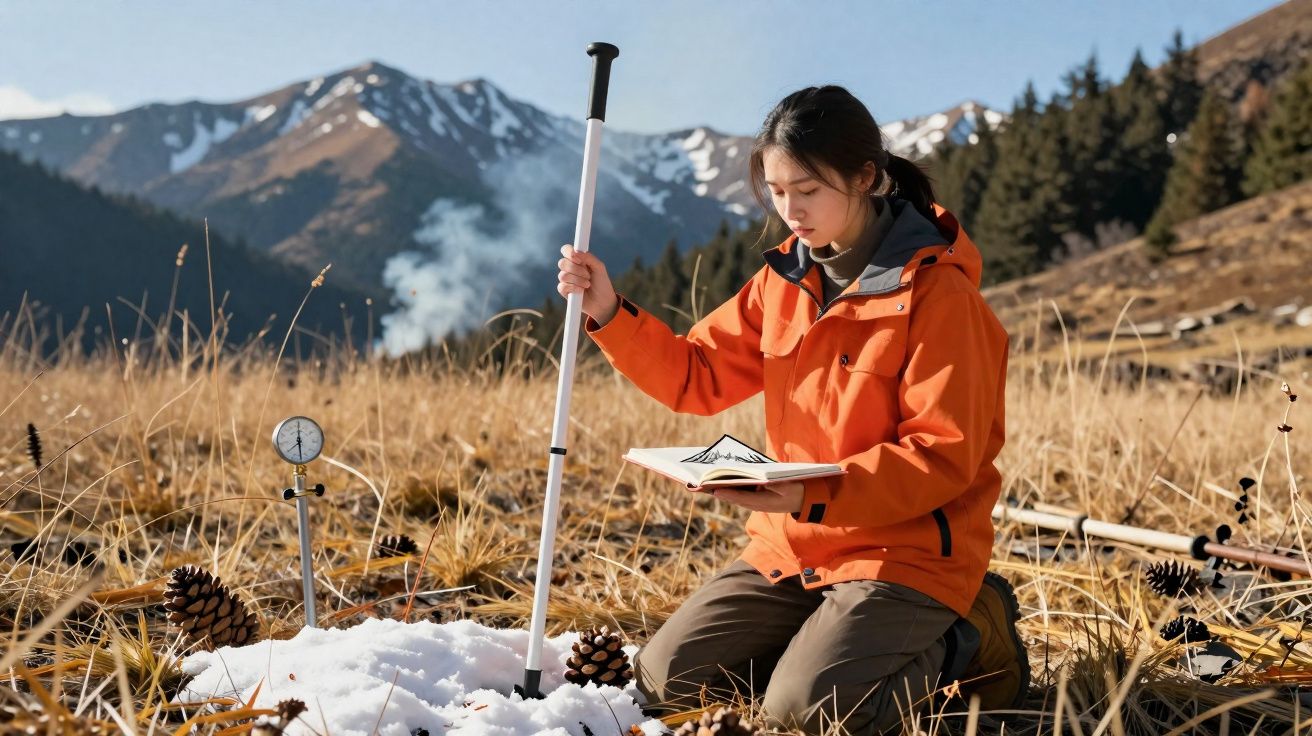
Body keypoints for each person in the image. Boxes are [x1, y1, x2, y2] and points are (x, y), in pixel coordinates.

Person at [555, 85, 1028, 735]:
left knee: (810, 713)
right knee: (667, 683)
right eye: (777, 191)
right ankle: (821, 648)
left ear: (866, 176)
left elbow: (941, 455)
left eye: (806, 190)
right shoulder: (783, 282)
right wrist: (608, 311)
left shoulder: (941, 299)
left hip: (908, 554)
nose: (789, 210)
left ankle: (969, 637)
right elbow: (697, 376)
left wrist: (807, 491)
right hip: (794, 543)